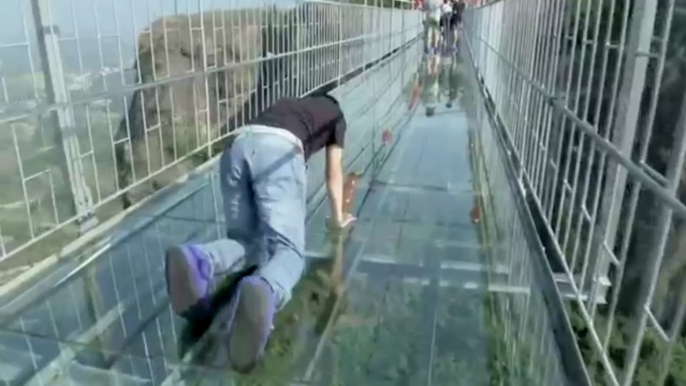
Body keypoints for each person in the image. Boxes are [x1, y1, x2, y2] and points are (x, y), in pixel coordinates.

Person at [164, 93, 356, 373]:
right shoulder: (337, 116)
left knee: (245, 242)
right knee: (288, 252)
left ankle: (198, 258)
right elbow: (334, 173)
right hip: (277, 151)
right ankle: (265, 288)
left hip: (236, 147)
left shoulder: (290, 106)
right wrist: (337, 219)